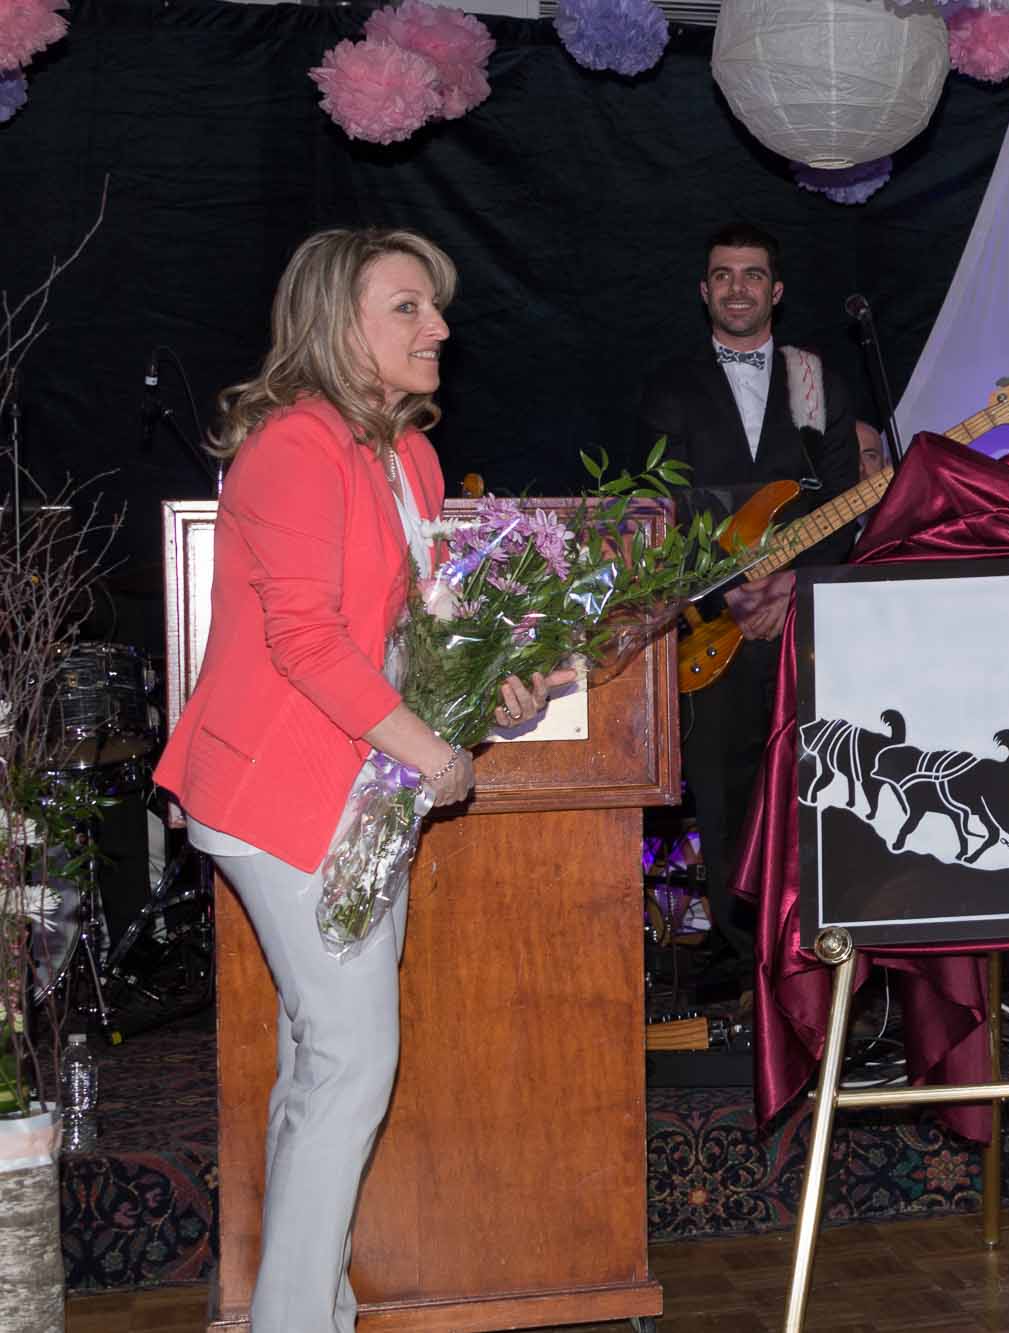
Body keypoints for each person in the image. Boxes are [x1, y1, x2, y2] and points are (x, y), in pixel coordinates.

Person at [152, 227, 567, 1333]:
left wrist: (499, 686)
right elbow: (303, 640)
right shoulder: (292, 446)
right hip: (277, 793)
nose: (439, 327)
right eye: (408, 308)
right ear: (341, 325)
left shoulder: (410, 456)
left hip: (359, 786)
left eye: (434, 309)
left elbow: (420, 631)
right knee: (351, 1057)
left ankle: (302, 1307)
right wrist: (430, 749)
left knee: (322, 1060)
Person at [636, 221, 860, 976]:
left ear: (777, 290)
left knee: (820, 779)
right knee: (727, 792)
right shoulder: (670, 383)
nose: (738, 287)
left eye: (753, 274)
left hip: (804, 622)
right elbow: (662, 504)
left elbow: (847, 498)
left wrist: (794, 581)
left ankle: (822, 952)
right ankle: (748, 958)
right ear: (705, 291)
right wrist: (731, 592)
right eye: (723, 275)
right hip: (715, 622)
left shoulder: (815, 379)